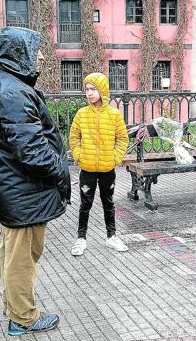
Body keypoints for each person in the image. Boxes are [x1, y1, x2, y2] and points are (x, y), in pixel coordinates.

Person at [0, 27, 70, 336]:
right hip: (24, 191)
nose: (41, 55)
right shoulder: (12, 91)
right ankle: (23, 318)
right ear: (18, 53)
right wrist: (61, 168)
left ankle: (14, 308)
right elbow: (32, 152)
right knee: (23, 259)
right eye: (35, 49)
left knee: (12, 253)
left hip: (13, 189)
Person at [69, 72, 129, 256]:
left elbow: (122, 139)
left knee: (108, 202)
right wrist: (79, 156)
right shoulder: (82, 114)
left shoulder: (114, 115)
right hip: (87, 169)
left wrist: (115, 158)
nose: (89, 93)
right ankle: (81, 239)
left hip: (107, 170)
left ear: (102, 90)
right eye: (86, 89)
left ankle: (111, 236)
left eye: (93, 89)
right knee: (84, 205)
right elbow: (73, 138)